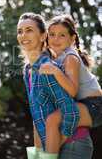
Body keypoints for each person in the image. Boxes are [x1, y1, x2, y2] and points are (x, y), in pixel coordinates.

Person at [17, 12, 93, 159]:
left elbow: (71, 113)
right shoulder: (28, 70)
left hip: (73, 145)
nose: (23, 36)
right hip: (52, 148)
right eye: (20, 31)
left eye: (29, 30)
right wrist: (38, 154)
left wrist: (51, 150)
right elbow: (37, 117)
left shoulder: (49, 68)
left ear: (42, 36)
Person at [39, 14, 102, 155]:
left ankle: (47, 156)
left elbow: (72, 91)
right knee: (54, 128)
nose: (56, 39)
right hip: (87, 104)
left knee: (53, 120)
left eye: (62, 35)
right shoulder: (58, 58)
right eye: (52, 34)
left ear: (72, 38)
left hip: (94, 105)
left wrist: (55, 71)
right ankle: (49, 153)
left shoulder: (70, 58)